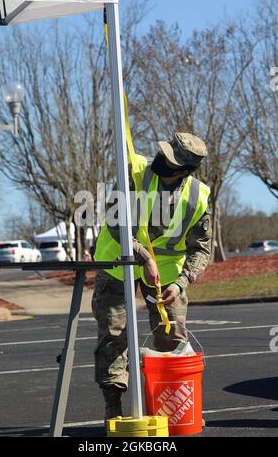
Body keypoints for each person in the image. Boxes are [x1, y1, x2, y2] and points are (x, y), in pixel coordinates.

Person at [92, 132, 212, 421]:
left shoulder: (198, 197)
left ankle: (172, 407)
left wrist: (182, 282)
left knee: (172, 336)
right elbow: (114, 222)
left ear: (182, 171)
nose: (161, 160)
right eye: (164, 152)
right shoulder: (133, 174)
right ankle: (114, 409)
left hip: (167, 277)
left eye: (169, 160)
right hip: (117, 266)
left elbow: (201, 249)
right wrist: (144, 257)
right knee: (114, 336)